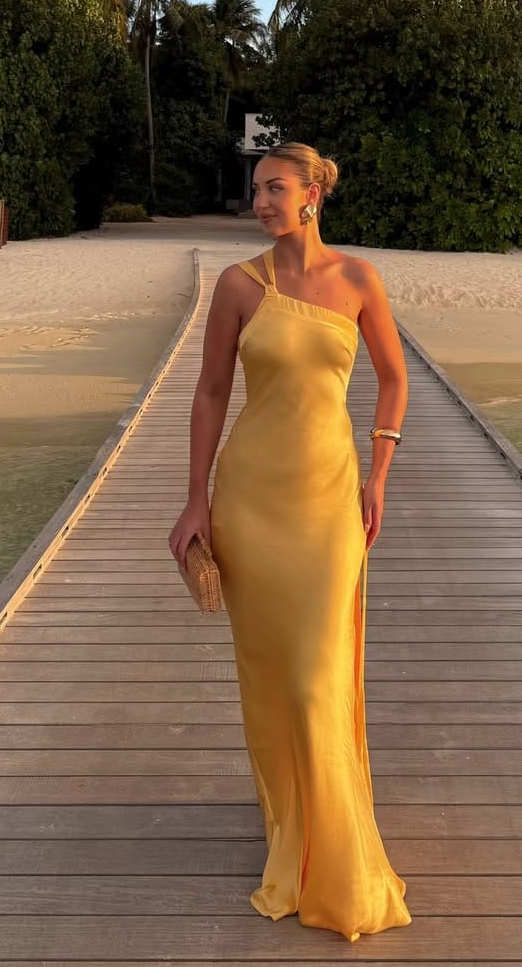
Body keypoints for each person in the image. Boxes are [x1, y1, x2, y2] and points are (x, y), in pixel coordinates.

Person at [168, 141, 412, 941]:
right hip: (252, 500)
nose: (260, 202)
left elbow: (394, 375)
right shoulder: (240, 287)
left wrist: (379, 471)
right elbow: (210, 391)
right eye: (256, 190)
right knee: (274, 679)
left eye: (275, 189)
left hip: (331, 500)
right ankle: (295, 835)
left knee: (317, 675)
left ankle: (335, 851)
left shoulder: (357, 281)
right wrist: (195, 499)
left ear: (313, 195)